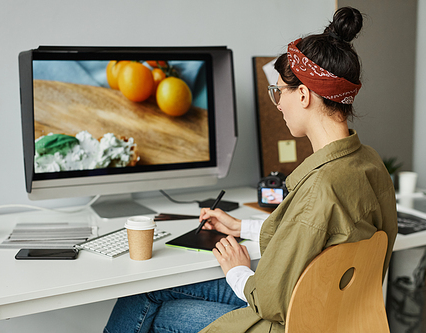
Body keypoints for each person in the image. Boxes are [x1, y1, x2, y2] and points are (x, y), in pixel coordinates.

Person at [104, 6, 398, 333]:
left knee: (148, 302)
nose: (277, 103)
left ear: (303, 95)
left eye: (279, 92)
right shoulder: (369, 164)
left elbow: (270, 300)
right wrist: (242, 226)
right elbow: (316, 235)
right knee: (151, 296)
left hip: (284, 322)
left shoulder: (320, 188)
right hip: (333, 316)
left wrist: (237, 270)